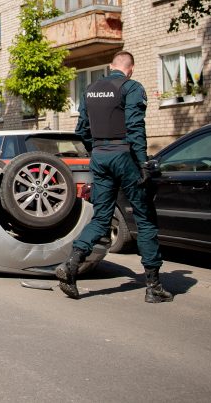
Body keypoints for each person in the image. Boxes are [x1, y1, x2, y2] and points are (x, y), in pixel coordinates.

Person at [56, 50, 173, 303]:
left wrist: (96, 151)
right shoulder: (131, 87)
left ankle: (71, 265)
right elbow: (135, 126)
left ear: (111, 66)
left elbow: (82, 129)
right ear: (130, 69)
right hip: (124, 155)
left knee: (101, 218)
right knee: (144, 217)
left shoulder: (90, 89)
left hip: (99, 156)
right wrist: (142, 161)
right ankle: (153, 286)